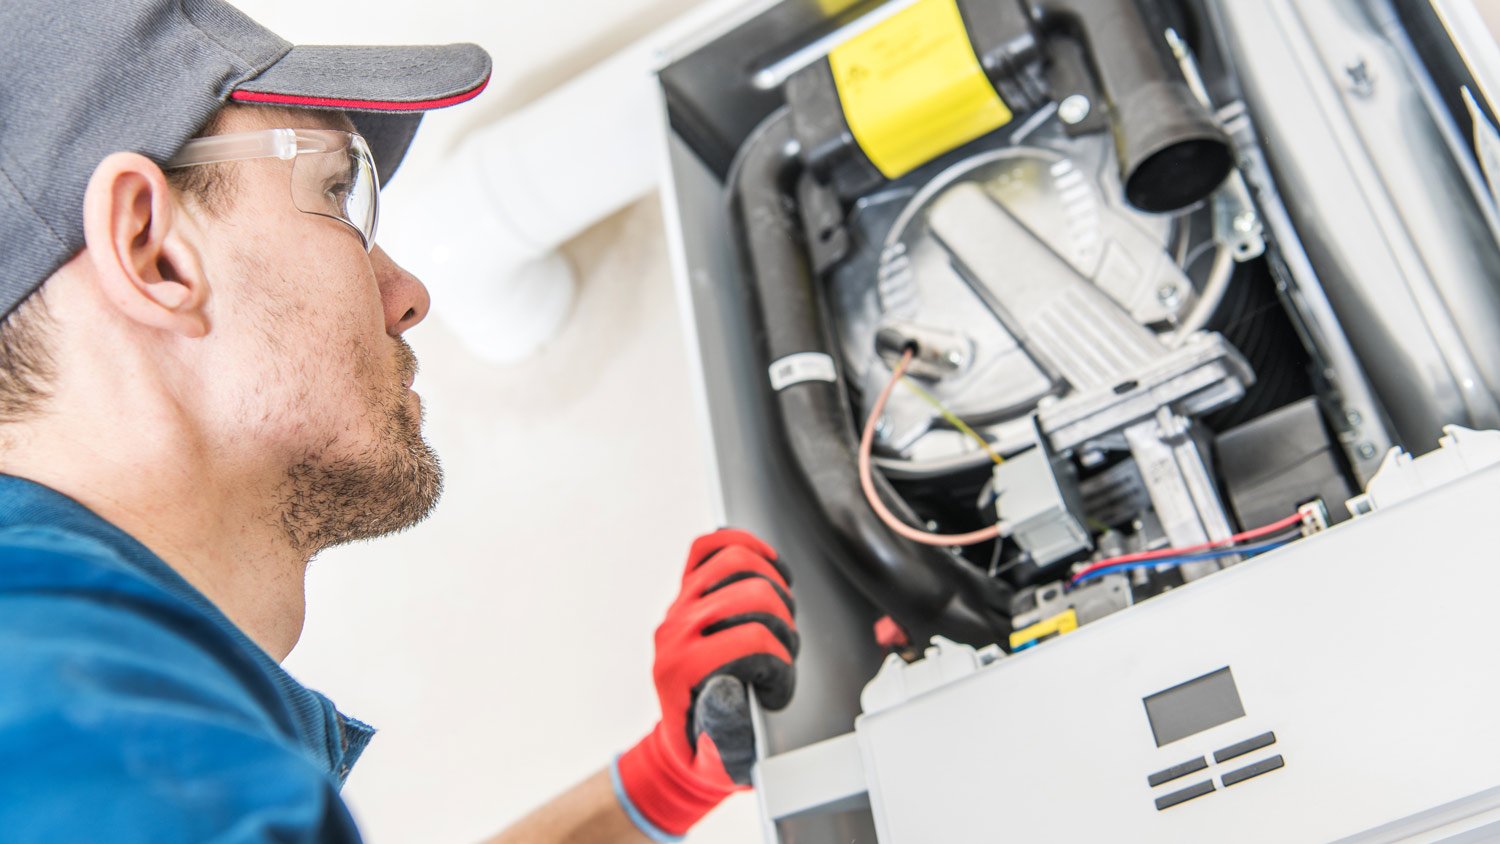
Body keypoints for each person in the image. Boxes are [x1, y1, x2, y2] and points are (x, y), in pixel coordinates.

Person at [0, 1, 799, 842]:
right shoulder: (100, 736)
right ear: (151, 251)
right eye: (337, 192)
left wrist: (661, 784)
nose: (409, 294)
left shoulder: (83, 715)